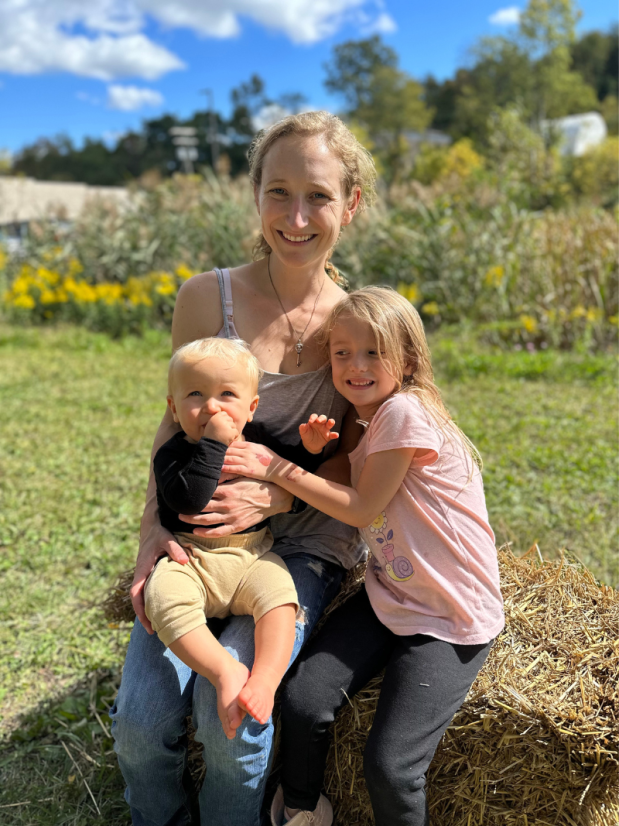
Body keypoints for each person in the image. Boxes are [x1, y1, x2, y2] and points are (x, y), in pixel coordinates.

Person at [110, 110, 375, 826]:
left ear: (349, 204)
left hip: (303, 546)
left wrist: (277, 498)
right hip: (200, 542)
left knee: (232, 715)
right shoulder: (207, 297)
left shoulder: (358, 325)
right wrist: (149, 535)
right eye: (277, 193)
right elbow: (175, 422)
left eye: (318, 196)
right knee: (138, 722)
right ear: (254, 197)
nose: (296, 217)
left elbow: (357, 465)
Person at [222, 286, 505, 826]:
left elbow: (359, 507)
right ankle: (304, 808)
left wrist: (277, 468)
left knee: (391, 766)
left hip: (448, 612)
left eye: (374, 352)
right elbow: (339, 474)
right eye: (342, 352)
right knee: (304, 699)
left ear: (409, 358)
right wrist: (309, 452)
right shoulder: (364, 414)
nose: (355, 366)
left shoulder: (401, 411)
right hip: (390, 593)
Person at [145, 336, 340, 737]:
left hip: (251, 556)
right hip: (190, 558)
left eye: (227, 394)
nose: (213, 406)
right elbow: (191, 498)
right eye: (196, 394)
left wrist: (309, 449)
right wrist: (215, 443)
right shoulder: (172, 453)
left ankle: (265, 680)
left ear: (251, 408)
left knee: (281, 597)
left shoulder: (261, 442)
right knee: (162, 597)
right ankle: (224, 669)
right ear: (174, 408)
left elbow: (296, 478)